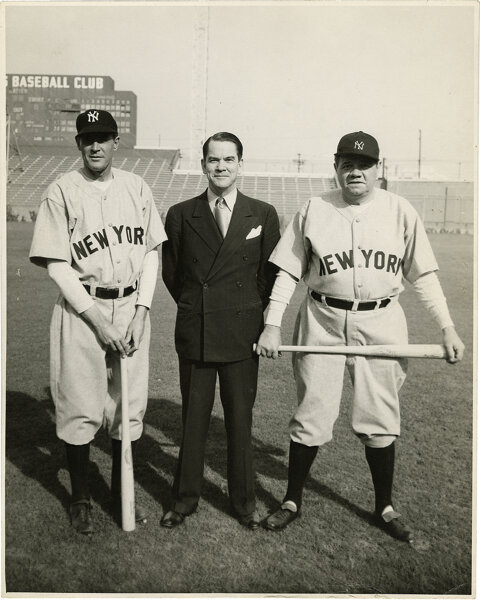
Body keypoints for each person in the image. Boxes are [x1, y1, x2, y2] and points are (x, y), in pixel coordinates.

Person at [256, 131, 464, 541]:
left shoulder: (400, 210)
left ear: (377, 169)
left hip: (382, 320)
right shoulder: (314, 208)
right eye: (347, 164)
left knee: (380, 417)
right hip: (323, 318)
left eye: (364, 165)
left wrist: (447, 326)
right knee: (312, 413)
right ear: (336, 167)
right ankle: (292, 499)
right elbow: (288, 273)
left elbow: (423, 276)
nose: (355, 172)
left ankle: (384, 506)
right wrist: (272, 322)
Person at [29, 109, 167, 535]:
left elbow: (150, 254)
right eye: (88, 138)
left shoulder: (136, 187)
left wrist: (142, 312)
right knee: (79, 405)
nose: (96, 145)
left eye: (103, 137)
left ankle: (120, 495)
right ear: (78, 144)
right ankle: (81, 498)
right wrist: (97, 321)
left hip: (130, 309)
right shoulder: (62, 190)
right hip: (81, 309)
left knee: (128, 405)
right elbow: (56, 264)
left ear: (115, 142)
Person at [161, 132, 280, 529]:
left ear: (241, 165)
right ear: (203, 165)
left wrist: (246, 311)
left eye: (229, 160)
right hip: (197, 331)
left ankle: (243, 503)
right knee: (193, 421)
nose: (221, 167)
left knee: (239, 422)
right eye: (214, 160)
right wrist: (200, 306)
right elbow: (174, 276)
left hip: (242, 335)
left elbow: (268, 276)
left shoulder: (262, 214)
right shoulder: (181, 213)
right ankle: (183, 500)